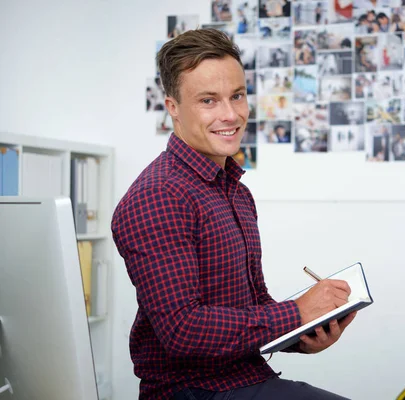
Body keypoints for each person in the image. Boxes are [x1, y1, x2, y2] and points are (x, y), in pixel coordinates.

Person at [111, 28, 356, 400]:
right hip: (192, 392)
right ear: (173, 106)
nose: (231, 114)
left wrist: (304, 333)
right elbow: (183, 331)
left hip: (245, 379)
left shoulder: (236, 193)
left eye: (237, 96)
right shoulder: (158, 196)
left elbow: (253, 308)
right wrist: (296, 312)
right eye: (208, 100)